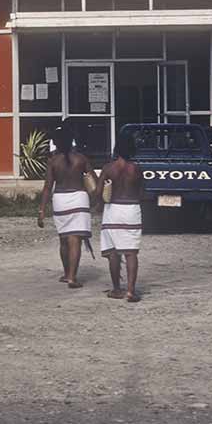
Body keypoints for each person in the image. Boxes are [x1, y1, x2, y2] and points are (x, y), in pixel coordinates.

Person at [38, 127, 97, 289]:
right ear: (72, 141)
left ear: (56, 142)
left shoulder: (53, 161)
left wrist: (41, 210)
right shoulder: (81, 159)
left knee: (64, 239)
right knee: (75, 240)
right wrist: (98, 200)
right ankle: (72, 277)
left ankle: (66, 274)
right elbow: (94, 181)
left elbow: (47, 187)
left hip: (60, 200)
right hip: (79, 199)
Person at [95, 131, 144, 302]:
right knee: (131, 253)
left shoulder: (108, 168)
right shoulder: (136, 168)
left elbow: (98, 192)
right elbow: (142, 193)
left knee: (113, 252)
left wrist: (100, 203)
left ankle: (116, 289)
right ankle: (130, 291)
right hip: (131, 210)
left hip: (112, 210)